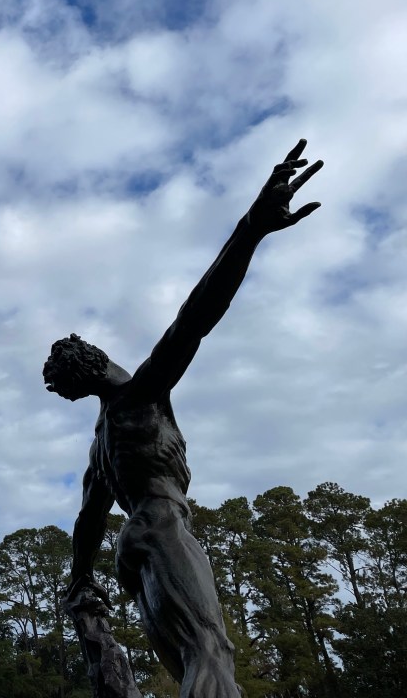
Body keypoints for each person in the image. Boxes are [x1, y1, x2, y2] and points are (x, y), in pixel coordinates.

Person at [43, 140, 323, 698]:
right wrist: (251, 229)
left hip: (133, 546)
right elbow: (196, 317)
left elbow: (89, 521)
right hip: (163, 528)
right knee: (212, 653)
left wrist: (80, 580)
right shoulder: (137, 399)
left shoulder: (104, 438)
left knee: (194, 665)